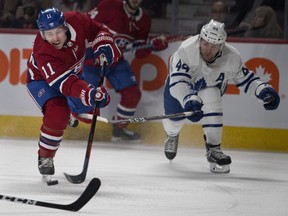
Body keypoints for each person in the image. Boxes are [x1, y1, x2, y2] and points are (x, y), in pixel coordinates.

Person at [162, 19, 280, 173]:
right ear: (200, 40)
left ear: (221, 46)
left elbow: (248, 80)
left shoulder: (231, 57)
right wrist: (189, 99)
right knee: (173, 121)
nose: (208, 50)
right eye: (206, 44)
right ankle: (172, 135)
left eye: (214, 46)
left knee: (212, 94)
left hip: (208, 88)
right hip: (181, 89)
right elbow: (178, 82)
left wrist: (264, 92)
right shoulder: (186, 49)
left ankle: (213, 148)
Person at [26, 7, 121, 180]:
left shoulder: (77, 20)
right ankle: (46, 156)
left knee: (90, 113)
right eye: (49, 34)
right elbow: (64, 83)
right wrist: (89, 92)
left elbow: (99, 29)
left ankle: (71, 111)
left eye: (58, 32)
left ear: (65, 26)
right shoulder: (43, 51)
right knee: (58, 113)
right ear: (42, 33)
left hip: (72, 76)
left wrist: (103, 44)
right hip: (43, 81)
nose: (54, 38)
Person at [78, 0, 168, 143]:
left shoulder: (144, 19)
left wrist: (152, 45)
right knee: (87, 97)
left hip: (115, 62)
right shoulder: (109, 6)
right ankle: (70, 120)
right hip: (91, 61)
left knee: (132, 94)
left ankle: (119, 128)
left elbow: (139, 51)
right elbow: (84, 24)